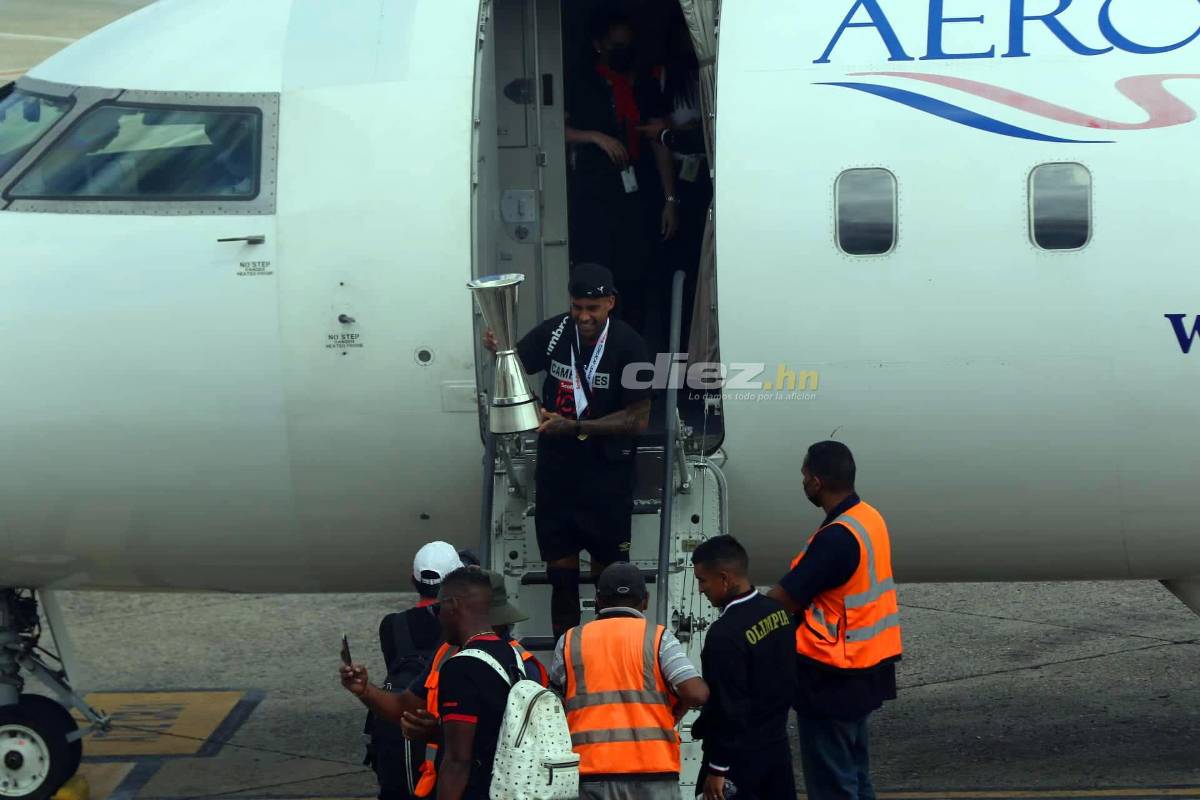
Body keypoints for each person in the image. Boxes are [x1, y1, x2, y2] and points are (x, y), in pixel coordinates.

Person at [485, 263, 652, 642]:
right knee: (561, 581)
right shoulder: (557, 330)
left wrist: (576, 427)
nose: (583, 316)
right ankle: (566, 662)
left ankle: (608, 656)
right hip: (558, 471)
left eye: (592, 308)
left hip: (607, 474)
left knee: (609, 583)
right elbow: (518, 361)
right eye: (578, 307)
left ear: (610, 303)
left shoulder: (630, 344)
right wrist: (500, 347)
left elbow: (639, 419)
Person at [766, 442, 902, 800]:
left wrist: (743, 616)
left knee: (832, 784)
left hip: (831, 676)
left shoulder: (836, 539)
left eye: (803, 476)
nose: (802, 483)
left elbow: (783, 600)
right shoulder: (868, 518)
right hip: (866, 667)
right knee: (857, 775)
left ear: (816, 482)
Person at [342, 570, 547, 799]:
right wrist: (365, 690)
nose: (437, 618)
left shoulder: (462, 666)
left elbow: (459, 760)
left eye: (439, 609)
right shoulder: (513, 659)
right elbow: (407, 706)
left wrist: (439, 735)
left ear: (453, 606)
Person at [551, 562, 709, 800]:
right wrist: (675, 710)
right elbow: (696, 693)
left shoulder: (570, 641)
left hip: (590, 773)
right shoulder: (658, 638)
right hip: (653, 773)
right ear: (645, 600)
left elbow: (553, 704)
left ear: (598, 600)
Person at [566, 9, 679, 333]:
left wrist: (671, 199)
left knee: (638, 275)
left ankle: (634, 345)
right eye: (616, 45)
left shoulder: (644, 85)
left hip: (639, 193)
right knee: (598, 270)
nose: (623, 52)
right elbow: (554, 128)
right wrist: (596, 137)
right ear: (598, 45)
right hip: (596, 194)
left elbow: (660, 142)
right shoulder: (581, 82)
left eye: (627, 45)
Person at [690, 536, 796, 800]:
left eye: (703, 580)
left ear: (724, 578)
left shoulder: (724, 634)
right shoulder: (778, 613)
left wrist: (717, 769)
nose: (701, 589)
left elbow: (729, 708)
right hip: (776, 748)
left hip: (739, 760)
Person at [364, 542, 464, 800]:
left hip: (396, 724)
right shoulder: (458, 625)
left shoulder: (391, 625)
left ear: (413, 579)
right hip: (439, 727)